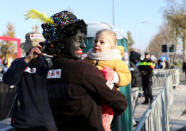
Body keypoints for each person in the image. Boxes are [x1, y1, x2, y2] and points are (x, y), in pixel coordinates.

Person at [34, 10, 128, 131]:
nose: (83, 45)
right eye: (78, 39)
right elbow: (120, 101)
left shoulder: (49, 72)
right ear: (62, 40)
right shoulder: (83, 69)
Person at [3, 32, 57, 131]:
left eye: (39, 46)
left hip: (47, 122)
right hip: (23, 122)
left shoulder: (49, 62)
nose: (36, 49)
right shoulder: (19, 62)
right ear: (28, 48)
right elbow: (9, 80)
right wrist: (27, 59)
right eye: (33, 47)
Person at [86, 29, 131, 131]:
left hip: (107, 100)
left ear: (112, 46)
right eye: (96, 41)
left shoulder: (115, 60)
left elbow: (127, 76)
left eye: (102, 42)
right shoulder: (88, 58)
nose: (97, 44)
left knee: (103, 125)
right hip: (90, 98)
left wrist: (115, 76)